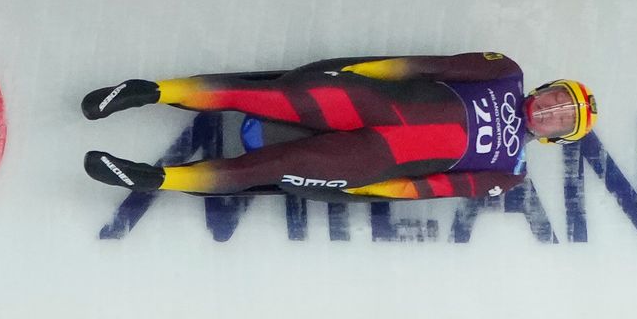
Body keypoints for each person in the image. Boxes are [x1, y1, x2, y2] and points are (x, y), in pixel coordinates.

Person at [82, 53, 596, 201]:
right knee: (273, 96)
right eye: (558, 98)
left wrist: (375, 189)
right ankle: (149, 91)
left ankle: (156, 179)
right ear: (546, 86)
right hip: (376, 103)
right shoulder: (504, 73)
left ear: (553, 137)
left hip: (377, 161)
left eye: (562, 118)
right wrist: (363, 73)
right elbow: (426, 68)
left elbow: (438, 186)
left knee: (277, 166)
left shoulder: (509, 172)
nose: (552, 110)